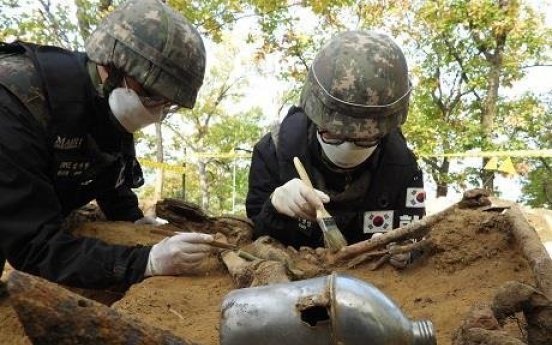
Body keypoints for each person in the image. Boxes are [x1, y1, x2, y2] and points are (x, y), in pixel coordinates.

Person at [0, 0, 215, 289]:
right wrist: (144, 262)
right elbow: (34, 244)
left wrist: (133, 220)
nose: (158, 112)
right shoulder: (15, 102)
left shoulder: (104, 105)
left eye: (169, 104)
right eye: (152, 93)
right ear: (110, 66)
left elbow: (109, 170)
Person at [246, 31, 426, 266]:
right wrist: (274, 205)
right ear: (316, 116)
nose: (348, 147)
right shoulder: (273, 152)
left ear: (384, 132)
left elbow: (416, 236)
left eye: (365, 138)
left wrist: (405, 251)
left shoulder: (402, 167)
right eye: (334, 133)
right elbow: (252, 237)